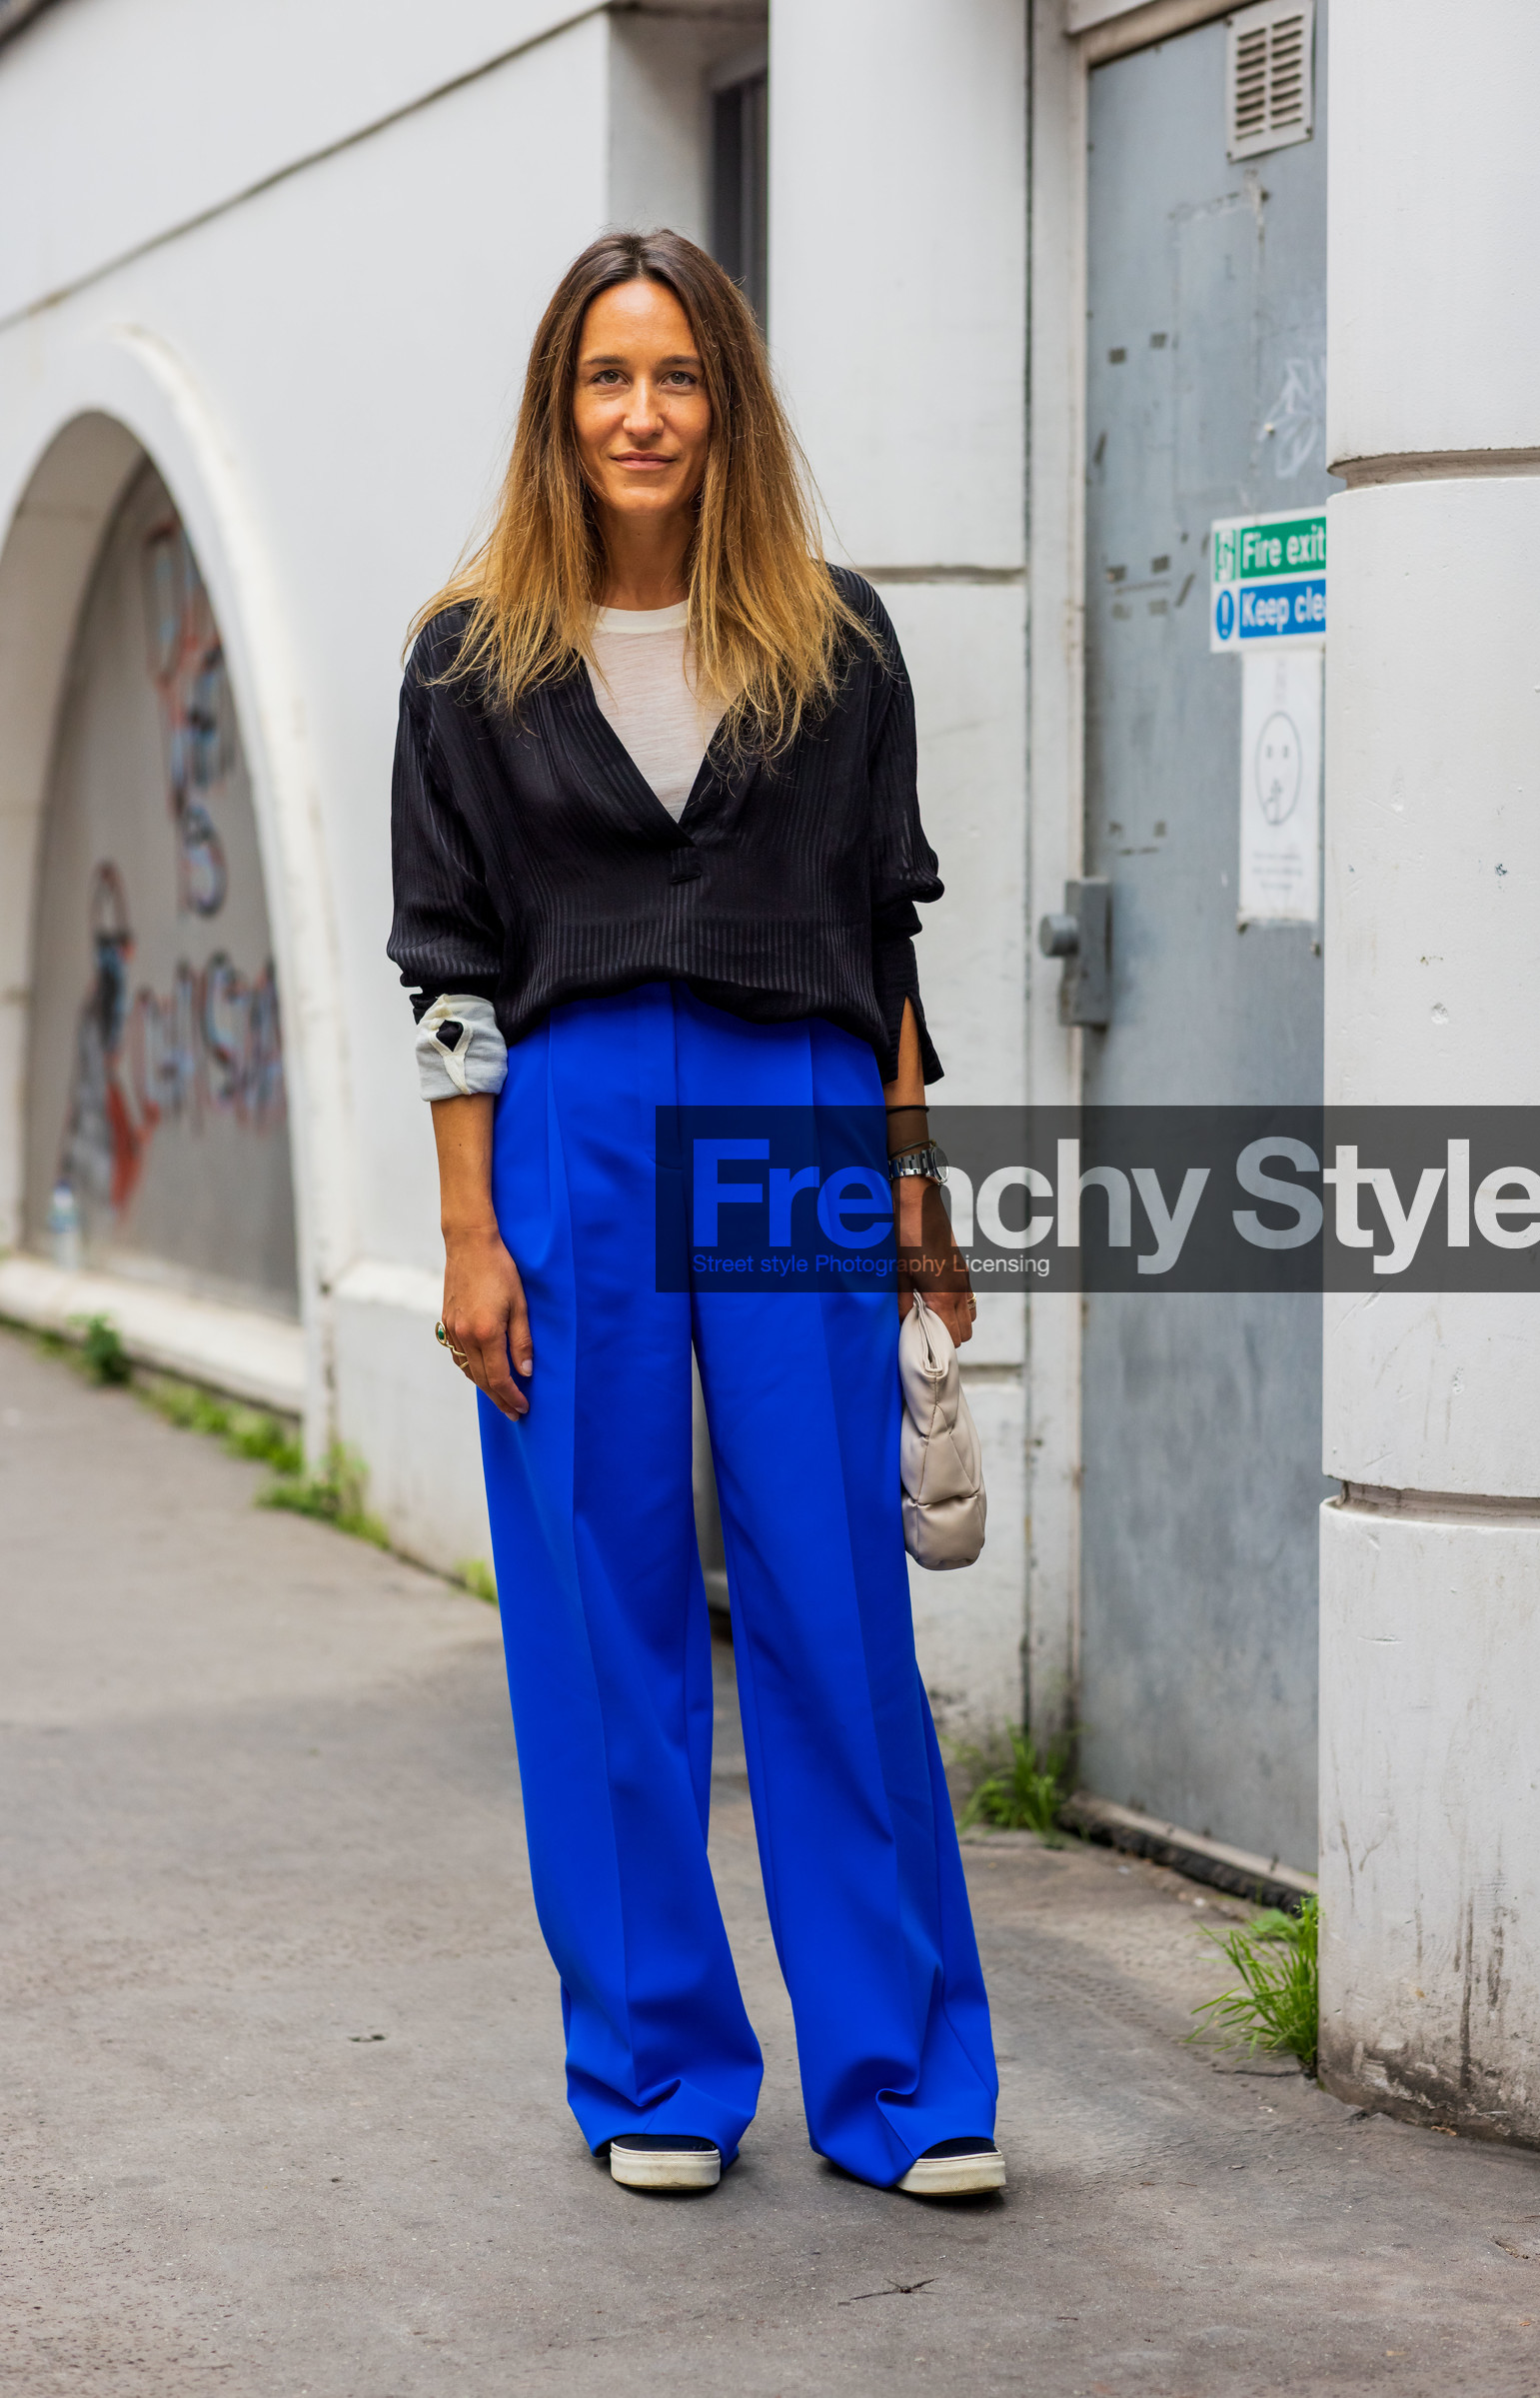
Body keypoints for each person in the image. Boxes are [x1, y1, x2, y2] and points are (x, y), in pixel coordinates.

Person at [388, 230, 1002, 2199]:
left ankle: (903, 2082)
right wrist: (472, 1233)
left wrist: (917, 1197)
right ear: (556, 411)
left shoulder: (835, 644)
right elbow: (448, 971)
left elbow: (879, 944)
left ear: (726, 409)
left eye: (677, 379)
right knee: (600, 1608)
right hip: (564, 1127)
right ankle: (654, 2070)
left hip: (791, 1111)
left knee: (830, 1602)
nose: (640, 414)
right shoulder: (468, 658)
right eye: (605, 378)